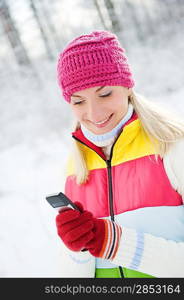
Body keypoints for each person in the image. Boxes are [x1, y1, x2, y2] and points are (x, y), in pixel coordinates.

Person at [55, 30, 184, 278]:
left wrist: (113, 243)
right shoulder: (75, 169)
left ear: (126, 86)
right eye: (78, 101)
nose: (94, 113)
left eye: (105, 94)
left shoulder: (172, 147)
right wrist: (77, 250)